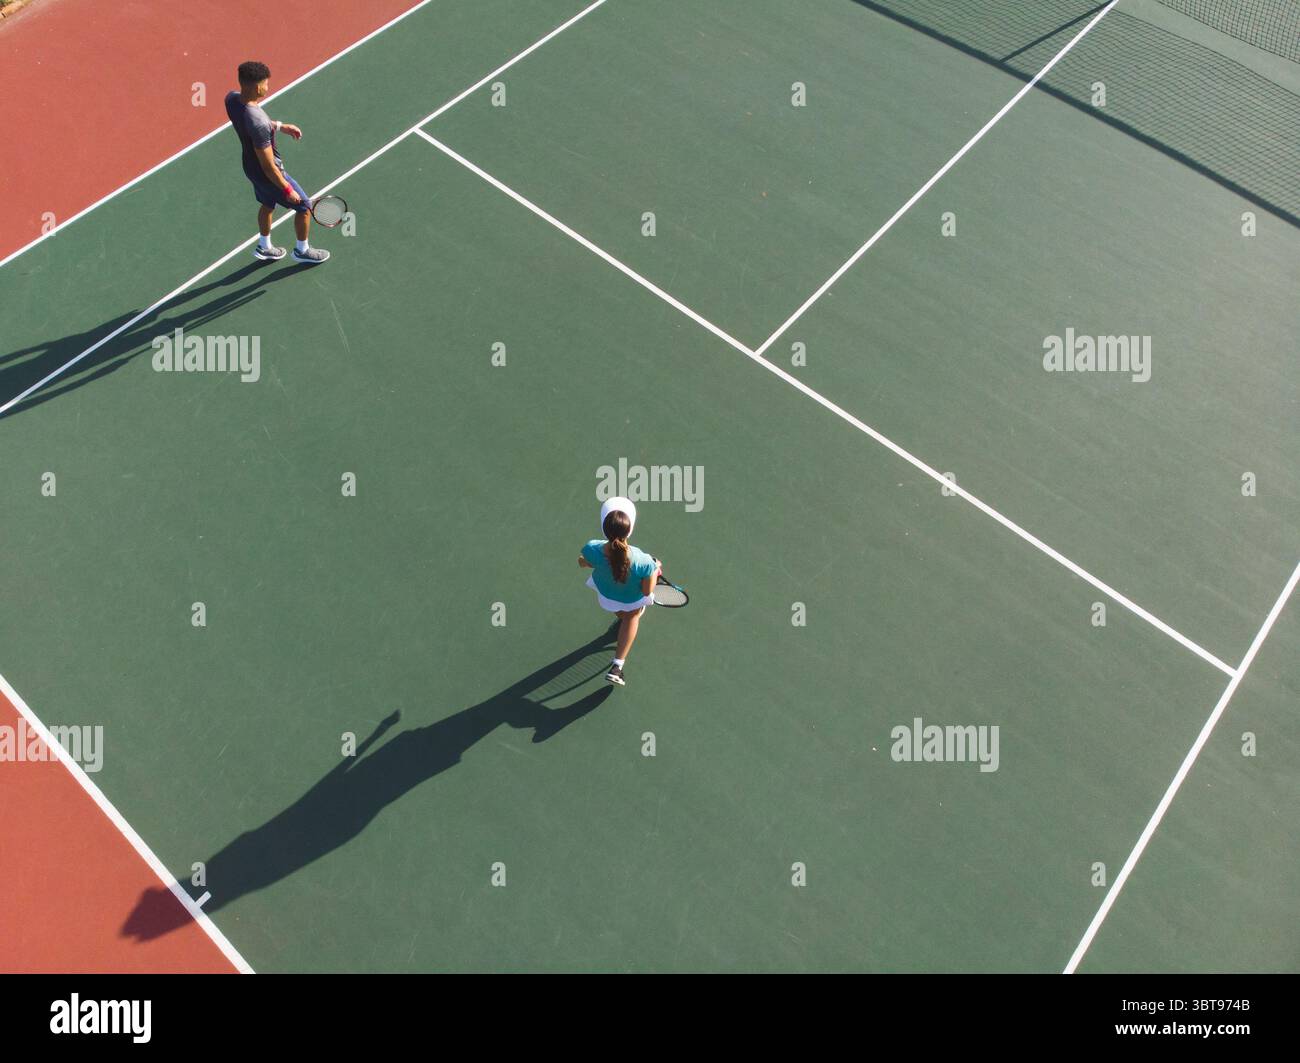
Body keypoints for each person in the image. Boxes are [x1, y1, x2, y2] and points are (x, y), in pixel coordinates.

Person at [224, 61, 329, 265]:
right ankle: (302, 251)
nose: (267, 87)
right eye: (265, 84)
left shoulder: (231, 99)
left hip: (250, 168)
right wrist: (287, 188)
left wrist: (280, 126)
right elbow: (269, 166)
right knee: (304, 208)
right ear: (256, 87)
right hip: (268, 174)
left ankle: (264, 247)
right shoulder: (258, 122)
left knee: (267, 204)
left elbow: (254, 126)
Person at [578, 497, 660, 686]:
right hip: (631, 599)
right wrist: (655, 570)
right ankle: (617, 666)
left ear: (604, 529)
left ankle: (623, 616)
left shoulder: (592, 548)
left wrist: (589, 562)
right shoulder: (643, 561)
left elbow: (583, 562)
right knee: (633, 615)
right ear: (629, 530)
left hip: (606, 598)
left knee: (622, 612)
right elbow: (647, 591)